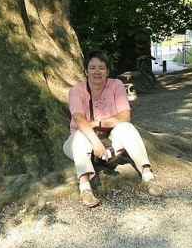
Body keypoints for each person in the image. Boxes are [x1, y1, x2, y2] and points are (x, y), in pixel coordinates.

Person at [63, 50, 163, 207]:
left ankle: (148, 176)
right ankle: (85, 189)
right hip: (81, 141)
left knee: (127, 128)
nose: (97, 72)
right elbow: (79, 119)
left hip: (110, 140)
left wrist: (98, 123)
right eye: (93, 68)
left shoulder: (115, 85)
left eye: (102, 68)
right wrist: (95, 142)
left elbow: (125, 115)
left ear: (108, 71)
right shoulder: (77, 90)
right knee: (79, 139)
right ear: (86, 71)